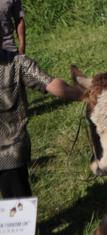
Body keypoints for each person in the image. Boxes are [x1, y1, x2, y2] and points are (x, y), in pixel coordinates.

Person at [0, 47, 81, 198]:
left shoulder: (18, 63)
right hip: (11, 150)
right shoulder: (19, 63)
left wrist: (85, 94)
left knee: (17, 210)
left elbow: (50, 84)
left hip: (9, 152)